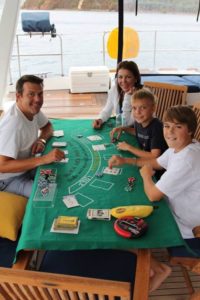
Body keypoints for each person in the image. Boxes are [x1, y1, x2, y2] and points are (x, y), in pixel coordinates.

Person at [109, 105, 200, 291]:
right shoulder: (183, 147)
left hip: (187, 230)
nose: (170, 132)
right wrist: (126, 161)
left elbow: (153, 195)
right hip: (178, 213)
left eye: (178, 126)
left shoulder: (188, 159)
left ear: (190, 129)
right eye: (167, 126)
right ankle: (154, 266)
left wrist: (145, 176)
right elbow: (156, 162)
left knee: (121, 232)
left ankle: (157, 270)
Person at [0, 75, 65, 198]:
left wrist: (42, 140)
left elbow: (48, 127)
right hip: (8, 179)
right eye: (31, 94)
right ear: (18, 96)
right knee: (50, 195)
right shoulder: (13, 125)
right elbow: (2, 166)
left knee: (61, 175)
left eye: (40, 94)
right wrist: (44, 159)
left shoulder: (32, 109)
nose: (37, 99)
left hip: (28, 168)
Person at [110, 89, 168, 161]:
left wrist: (129, 147)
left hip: (157, 167)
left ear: (153, 108)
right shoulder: (139, 121)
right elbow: (139, 132)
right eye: (134, 108)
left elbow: (154, 156)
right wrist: (124, 128)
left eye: (143, 108)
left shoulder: (157, 127)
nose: (137, 112)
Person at [93, 60, 142, 129]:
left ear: (135, 78)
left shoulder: (142, 96)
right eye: (120, 77)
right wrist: (100, 119)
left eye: (128, 77)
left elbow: (128, 123)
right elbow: (107, 109)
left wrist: (128, 96)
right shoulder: (115, 89)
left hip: (138, 132)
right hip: (122, 129)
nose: (123, 81)